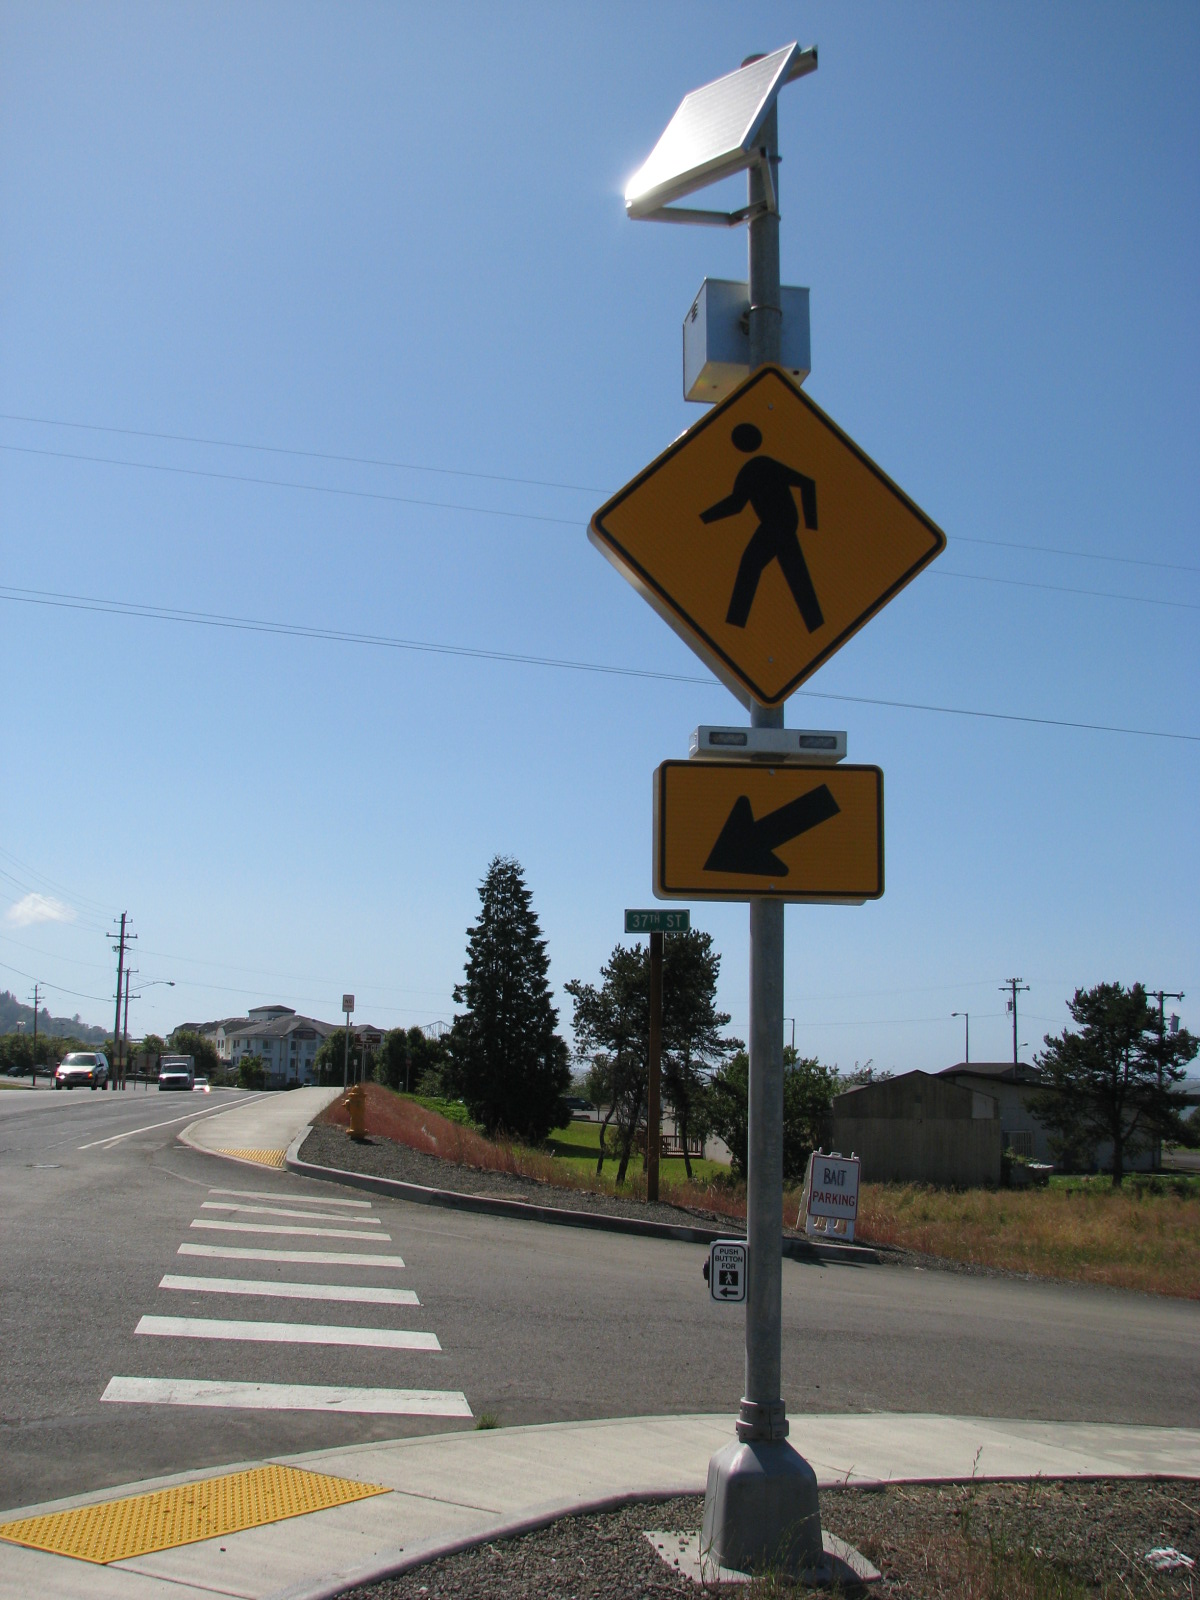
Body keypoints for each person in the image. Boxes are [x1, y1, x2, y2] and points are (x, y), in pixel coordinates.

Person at [701, 422, 824, 631]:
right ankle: (816, 624)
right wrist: (704, 518)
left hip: (778, 524)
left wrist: (811, 525)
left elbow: (807, 483)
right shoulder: (751, 469)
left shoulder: (761, 465)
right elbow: (736, 504)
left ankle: (734, 624)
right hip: (780, 525)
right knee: (795, 572)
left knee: (751, 563)